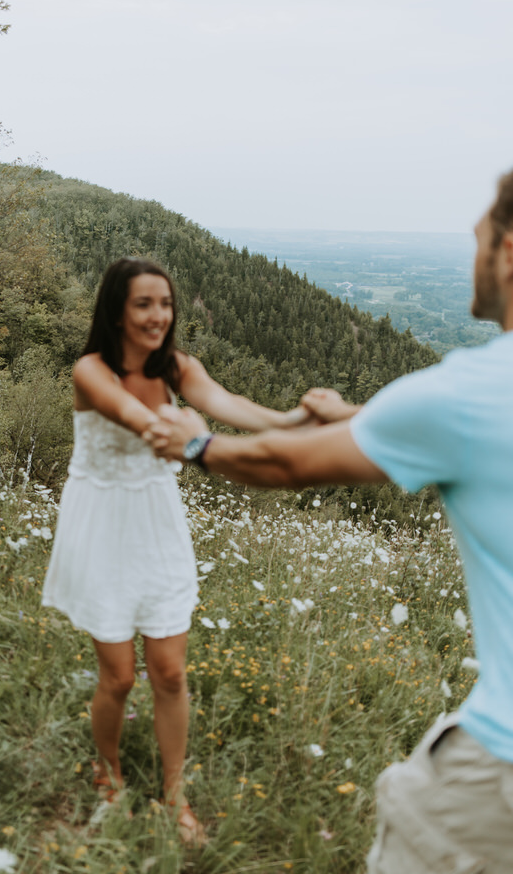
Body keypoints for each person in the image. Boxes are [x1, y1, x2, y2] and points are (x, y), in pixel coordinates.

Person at [148, 170, 513, 872]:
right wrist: (356, 419)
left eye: (477, 240)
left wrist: (196, 444)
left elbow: (286, 466)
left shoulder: (471, 392)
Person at [41, 256, 310, 844]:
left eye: (165, 304)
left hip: (156, 523)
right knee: (117, 678)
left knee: (168, 672)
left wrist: (296, 420)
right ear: (116, 310)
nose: (158, 315)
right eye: (144, 304)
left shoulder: (179, 367)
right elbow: (138, 419)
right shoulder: (91, 371)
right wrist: (190, 436)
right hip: (101, 524)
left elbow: (233, 405)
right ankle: (105, 771)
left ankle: (174, 794)